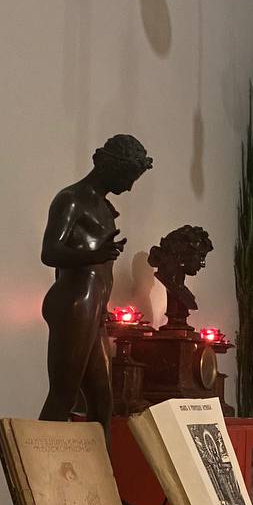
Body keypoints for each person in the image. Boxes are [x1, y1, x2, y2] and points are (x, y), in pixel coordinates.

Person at [39, 135, 153, 435]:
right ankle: (40, 462)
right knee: (63, 395)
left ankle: (101, 465)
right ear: (111, 167)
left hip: (94, 306)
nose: (129, 187)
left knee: (103, 401)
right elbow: (49, 253)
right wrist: (94, 255)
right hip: (76, 302)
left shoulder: (103, 207)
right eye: (128, 178)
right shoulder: (71, 199)